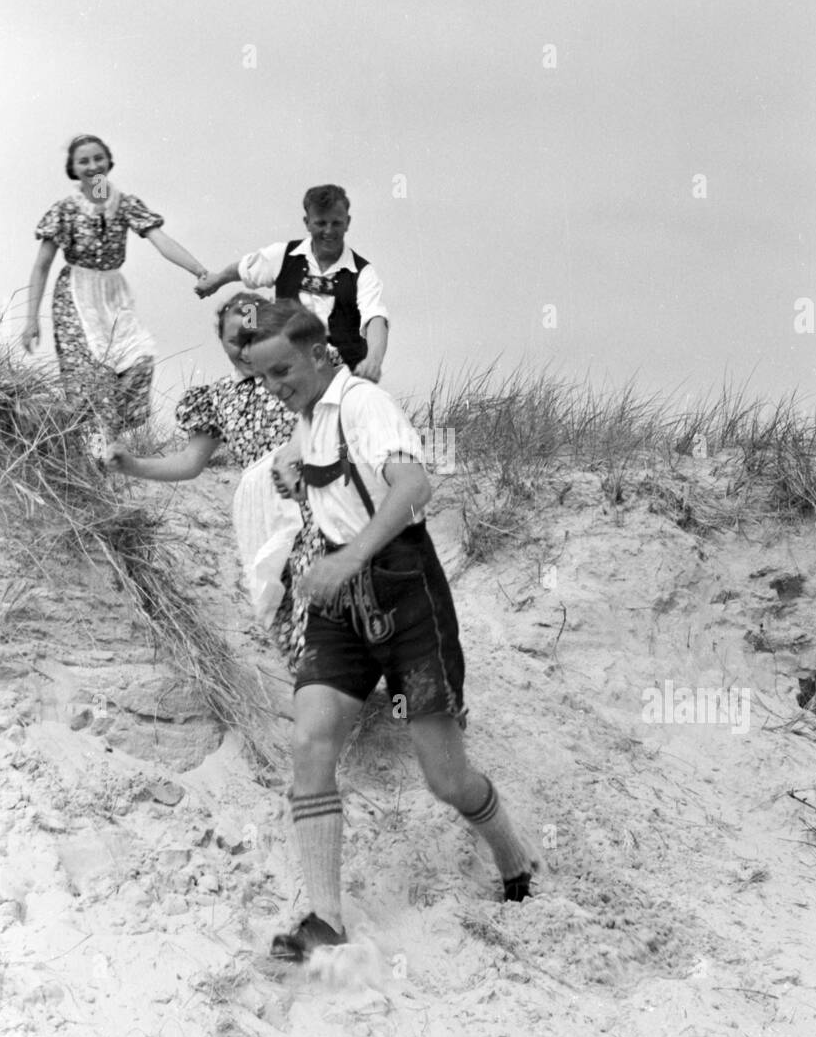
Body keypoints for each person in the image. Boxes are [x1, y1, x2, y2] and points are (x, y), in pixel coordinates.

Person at [240, 300, 536, 962]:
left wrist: (346, 556)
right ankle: (323, 917)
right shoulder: (307, 417)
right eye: (263, 376)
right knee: (310, 741)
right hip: (339, 611)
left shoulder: (363, 404)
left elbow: (412, 486)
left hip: (406, 598)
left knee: (446, 779)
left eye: (282, 369)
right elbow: (296, 472)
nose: (275, 385)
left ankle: (513, 857)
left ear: (321, 354)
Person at [106, 293, 330, 670]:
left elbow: (325, 408)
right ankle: (324, 700)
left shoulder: (301, 367)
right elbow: (191, 461)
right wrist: (132, 465)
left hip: (313, 485)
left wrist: (295, 448)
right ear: (221, 341)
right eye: (235, 340)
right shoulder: (217, 397)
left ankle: (357, 690)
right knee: (282, 601)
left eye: (254, 335)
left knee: (325, 593)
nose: (246, 349)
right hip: (262, 508)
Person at [23, 133, 209, 438]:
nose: (92, 165)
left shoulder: (125, 205)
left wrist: (199, 270)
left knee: (138, 361)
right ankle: (88, 444)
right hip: (75, 295)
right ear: (73, 169)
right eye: (83, 161)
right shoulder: (66, 210)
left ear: (109, 162)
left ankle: (90, 436)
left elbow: (161, 241)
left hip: (111, 294)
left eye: (98, 158)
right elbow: (41, 266)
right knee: (92, 377)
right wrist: (31, 320)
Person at [195, 184, 389, 382]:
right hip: (290, 373)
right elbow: (246, 268)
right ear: (307, 223)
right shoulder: (283, 256)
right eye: (321, 223)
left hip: (339, 374)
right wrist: (216, 280)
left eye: (336, 223)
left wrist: (374, 359)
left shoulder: (363, 273)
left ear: (347, 222)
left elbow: (375, 319)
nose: (329, 231)